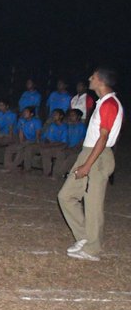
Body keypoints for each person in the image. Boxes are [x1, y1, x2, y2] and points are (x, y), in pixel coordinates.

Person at [58, 67, 122, 261]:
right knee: (66, 195)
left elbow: (103, 139)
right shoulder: (102, 103)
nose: (89, 79)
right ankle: (85, 237)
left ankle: (93, 249)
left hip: (98, 155)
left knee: (92, 203)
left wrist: (87, 165)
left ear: (101, 81)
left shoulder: (110, 104)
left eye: (93, 77)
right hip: (89, 152)